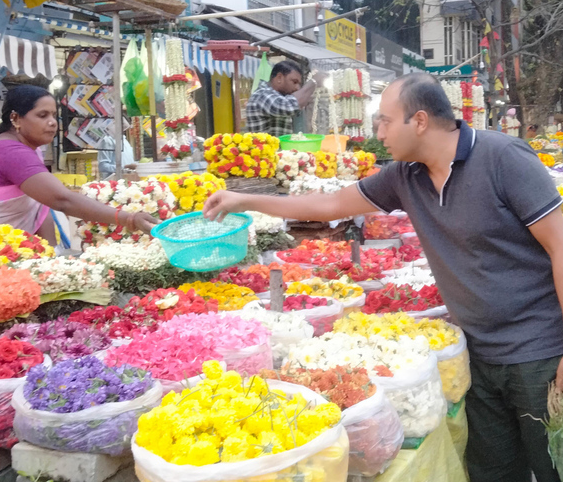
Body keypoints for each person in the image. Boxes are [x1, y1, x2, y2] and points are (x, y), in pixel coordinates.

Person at [204, 72, 563, 482]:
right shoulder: (404, 176)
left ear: (421, 121)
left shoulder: (503, 158)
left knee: (552, 465)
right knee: (492, 470)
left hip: (539, 353)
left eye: (385, 121)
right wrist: (245, 199)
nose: (378, 132)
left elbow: (560, 246)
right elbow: (332, 203)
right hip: (476, 352)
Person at [0, 85, 158, 244]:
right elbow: (62, 199)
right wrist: (129, 219)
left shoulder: (25, 150)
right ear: (16, 119)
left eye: (53, 115)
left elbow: (40, 208)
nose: (52, 122)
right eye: (42, 115)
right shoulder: (10, 151)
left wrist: (51, 259)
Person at [246, 60, 324, 136]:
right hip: (265, 149)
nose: (297, 88)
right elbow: (289, 106)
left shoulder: (281, 97)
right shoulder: (262, 95)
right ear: (279, 78)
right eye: (294, 82)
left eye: (299, 84)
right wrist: (314, 81)